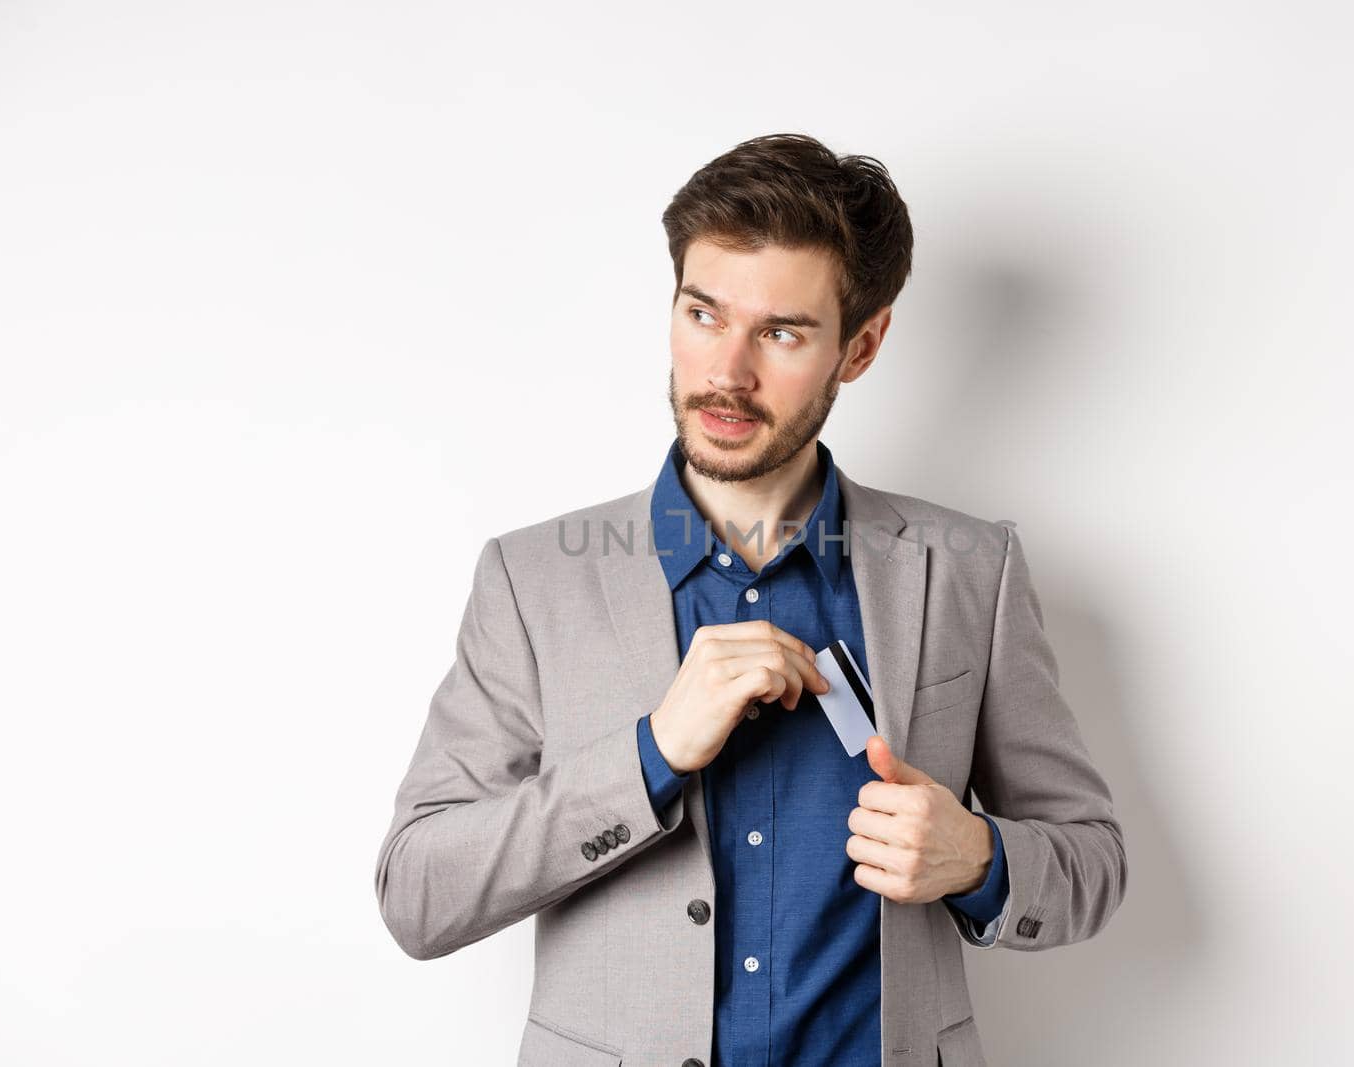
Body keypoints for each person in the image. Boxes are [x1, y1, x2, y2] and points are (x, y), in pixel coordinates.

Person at [374, 132, 1127, 1067]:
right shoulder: (533, 582)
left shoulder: (971, 569)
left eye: (780, 332)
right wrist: (649, 756)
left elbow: (1093, 861)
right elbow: (417, 893)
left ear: (861, 344)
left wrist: (979, 858)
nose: (727, 372)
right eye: (702, 313)